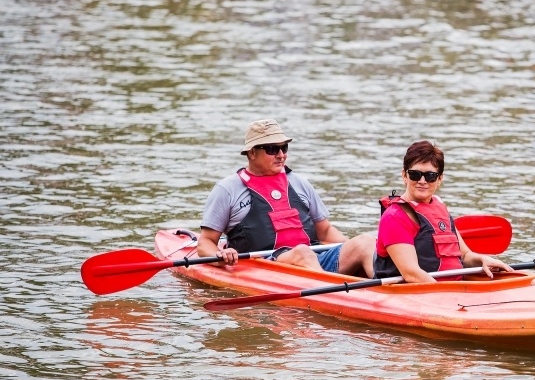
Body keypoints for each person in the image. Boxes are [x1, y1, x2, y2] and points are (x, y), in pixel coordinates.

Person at [197, 119, 375, 276]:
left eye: (284, 148)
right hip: (267, 265)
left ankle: (393, 292)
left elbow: (325, 231)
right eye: (272, 149)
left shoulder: (299, 183)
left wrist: (349, 246)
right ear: (252, 153)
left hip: (315, 257)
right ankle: (334, 293)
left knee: (365, 242)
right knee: (303, 253)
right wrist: (219, 256)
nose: (281, 155)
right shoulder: (228, 189)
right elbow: (205, 242)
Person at [374, 140, 512, 283]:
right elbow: (411, 274)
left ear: (439, 179)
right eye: (415, 174)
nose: (422, 181)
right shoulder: (394, 216)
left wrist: (482, 259)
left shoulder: (440, 208)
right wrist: (447, 295)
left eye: (430, 176)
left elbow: (464, 256)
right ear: (404, 176)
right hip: (417, 292)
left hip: (449, 290)